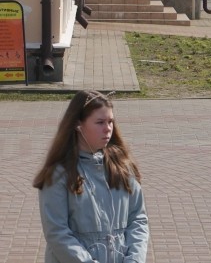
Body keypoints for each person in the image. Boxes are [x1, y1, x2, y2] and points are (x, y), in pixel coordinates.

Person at [34, 90, 149, 263]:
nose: (108, 128)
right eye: (100, 122)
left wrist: (134, 259)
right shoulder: (58, 174)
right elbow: (57, 233)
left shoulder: (122, 166)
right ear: (78, 125)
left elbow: (138, 219)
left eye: (110, 121)